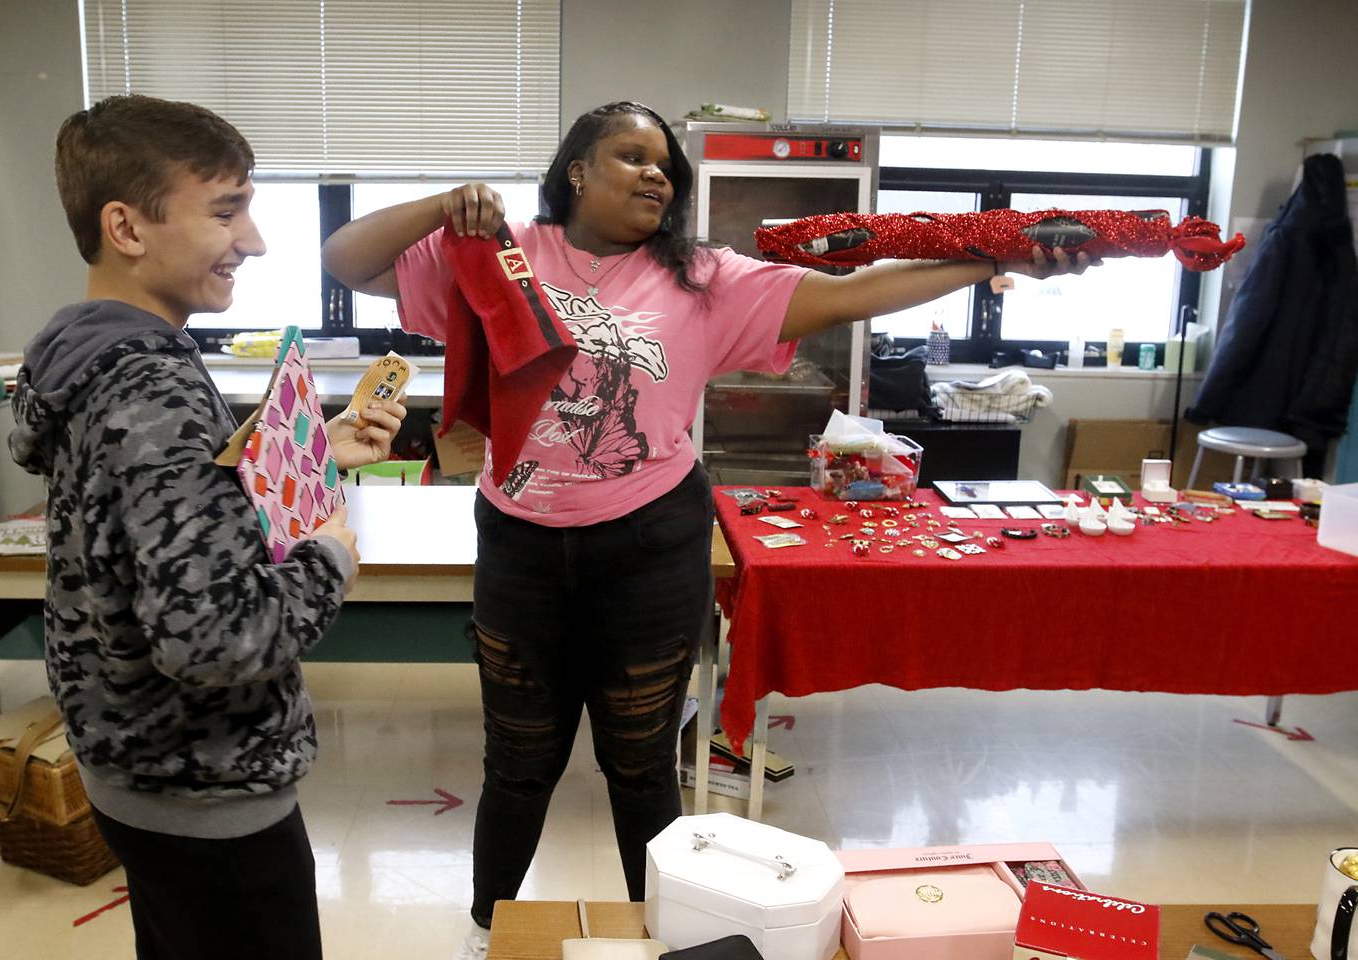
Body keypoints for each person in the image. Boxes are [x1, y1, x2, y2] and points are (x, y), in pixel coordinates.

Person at [322, 100, 1096, 959]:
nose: (658, 175)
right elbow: (346, 261)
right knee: (518, 762)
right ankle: (484, 933)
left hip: (649, 547)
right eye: (631, 156)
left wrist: (995, 256)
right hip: (521, 547)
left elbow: (856, 291)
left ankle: (668, 941)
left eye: (668, 167)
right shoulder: (501, 256)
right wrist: (444, 206)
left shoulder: (704, 278)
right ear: (574, 170)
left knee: (642, 766)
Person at [9, 94, 406, 960]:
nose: (256, 240)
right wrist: (330, 556)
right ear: (127, 226)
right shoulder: (153, 390)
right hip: (208, 794)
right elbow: (220, 640)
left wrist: (310, 457)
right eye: (226, 210)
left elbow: (158, 517)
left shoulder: (87, 357)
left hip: (133, 768)